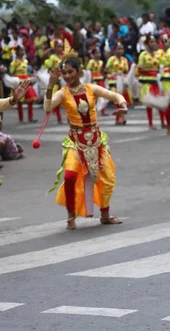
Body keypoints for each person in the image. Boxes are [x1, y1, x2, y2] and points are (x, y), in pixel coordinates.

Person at [44, 44, 128, 230]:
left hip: (96, 140)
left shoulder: (91, 89)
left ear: (79, 71)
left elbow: (114, 95)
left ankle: (105, 215)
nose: (67, 76)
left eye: (70, 72)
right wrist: (50, 85)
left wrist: (122, 104)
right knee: (70, 175)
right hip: (75, 141)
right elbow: (48, 108)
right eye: (64, 73)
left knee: (106, 179)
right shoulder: (63, 93)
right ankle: (70, 215)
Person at [138, 35, 166, 129]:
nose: (154, 44)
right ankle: (150, 123)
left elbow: (163, 64)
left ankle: (163, 122)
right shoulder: (143, 54)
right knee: (149, 103)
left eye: (155, 42)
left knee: (159, 101)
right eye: (151, 42)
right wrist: (151, 70)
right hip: (147, 81)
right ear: (147, 43)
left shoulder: (159, 54)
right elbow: (140, 67)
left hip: (156, 80)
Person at [105, 43, 133, 125]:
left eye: (121, 49)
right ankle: (119, 118)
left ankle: (121, 118)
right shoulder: (111, 59)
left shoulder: (125, 60)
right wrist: (114, 72)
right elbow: (106, 69)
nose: (120, 51)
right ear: (115, 50)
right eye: (118, 49)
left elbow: (126, 71)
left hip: (122, 80)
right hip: (113, 81)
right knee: (117, 100)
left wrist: (123, 75)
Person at [9, 45, 37, 123]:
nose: (23, 52)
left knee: (31, 99)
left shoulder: (25, 61)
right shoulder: (14, 62)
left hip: (26, 81)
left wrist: (31, 75)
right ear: (17, 52)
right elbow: (11, 73)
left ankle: (30, 118)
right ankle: (21, 119)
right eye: (21, 50)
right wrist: (16, 81)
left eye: (23, 50)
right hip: (19, 82)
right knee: (20, 101)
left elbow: (25, 72)